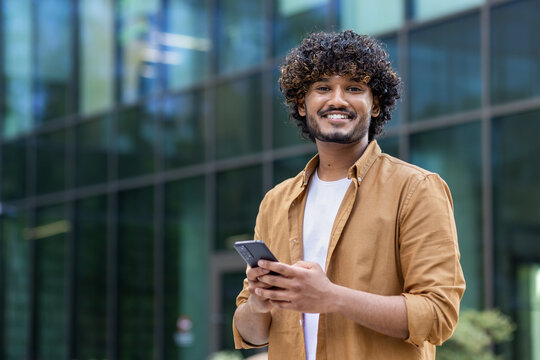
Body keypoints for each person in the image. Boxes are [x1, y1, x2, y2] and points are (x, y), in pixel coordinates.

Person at [232, 30, 465, 360]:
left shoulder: (416, 189)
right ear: (302, 104)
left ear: (376, 103)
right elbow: (250, 335)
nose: (337, 100)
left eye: (354, 88)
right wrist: (259, 301)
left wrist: (331, 297)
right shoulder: (276, 201)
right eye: (323, 88)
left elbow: (438, 315)